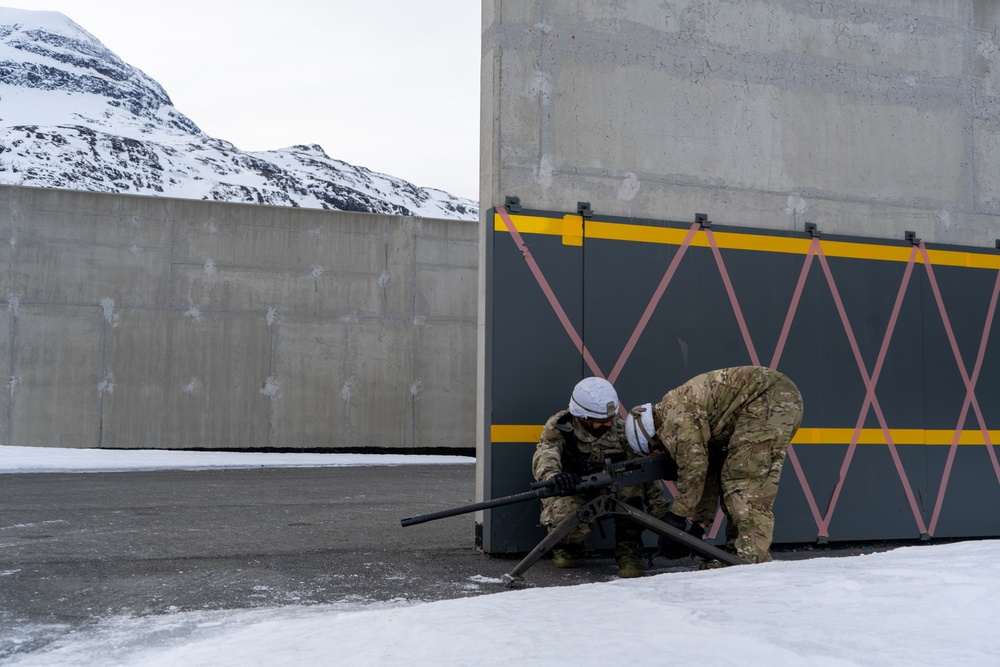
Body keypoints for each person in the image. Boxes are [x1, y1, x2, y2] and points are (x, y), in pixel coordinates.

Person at [624, 366, 803, 564]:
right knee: (732, 478)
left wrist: (676, 519)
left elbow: (694, 471)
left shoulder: (675, 418)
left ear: (651, 434)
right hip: (773, 397)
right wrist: (698, 525)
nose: (660, 451)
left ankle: (752, 562)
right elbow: (707, 472)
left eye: (654, 448)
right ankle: (736, 554)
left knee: (743, 482)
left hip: (768, 397)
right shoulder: (677, 409)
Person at [532, 376, 670, 578]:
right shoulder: (560, 426)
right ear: (582, 417)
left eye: (610, 418)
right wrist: (556, 476)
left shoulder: (621, 430)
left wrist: (662, 516)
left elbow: (644, 471)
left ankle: (629, 548)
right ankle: (567, 544)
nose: (608, 423)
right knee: (563, 517)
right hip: (574, 489)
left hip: (609, 489)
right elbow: (545, 453)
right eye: (601, 421)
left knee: (631, 487)